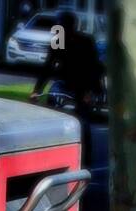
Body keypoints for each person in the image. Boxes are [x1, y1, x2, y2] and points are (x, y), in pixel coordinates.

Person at [29, 10, 103, 162]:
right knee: (51, 105)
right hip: (64, 83)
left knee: (83, 119)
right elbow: (48, 67)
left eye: (62, 25)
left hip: (84, 84)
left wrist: (90, 91)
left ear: (71, 26)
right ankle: (53, 149)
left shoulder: (85, 41)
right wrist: (37, 90)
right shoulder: (58, 42)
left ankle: (86, 158)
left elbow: (94, 68)